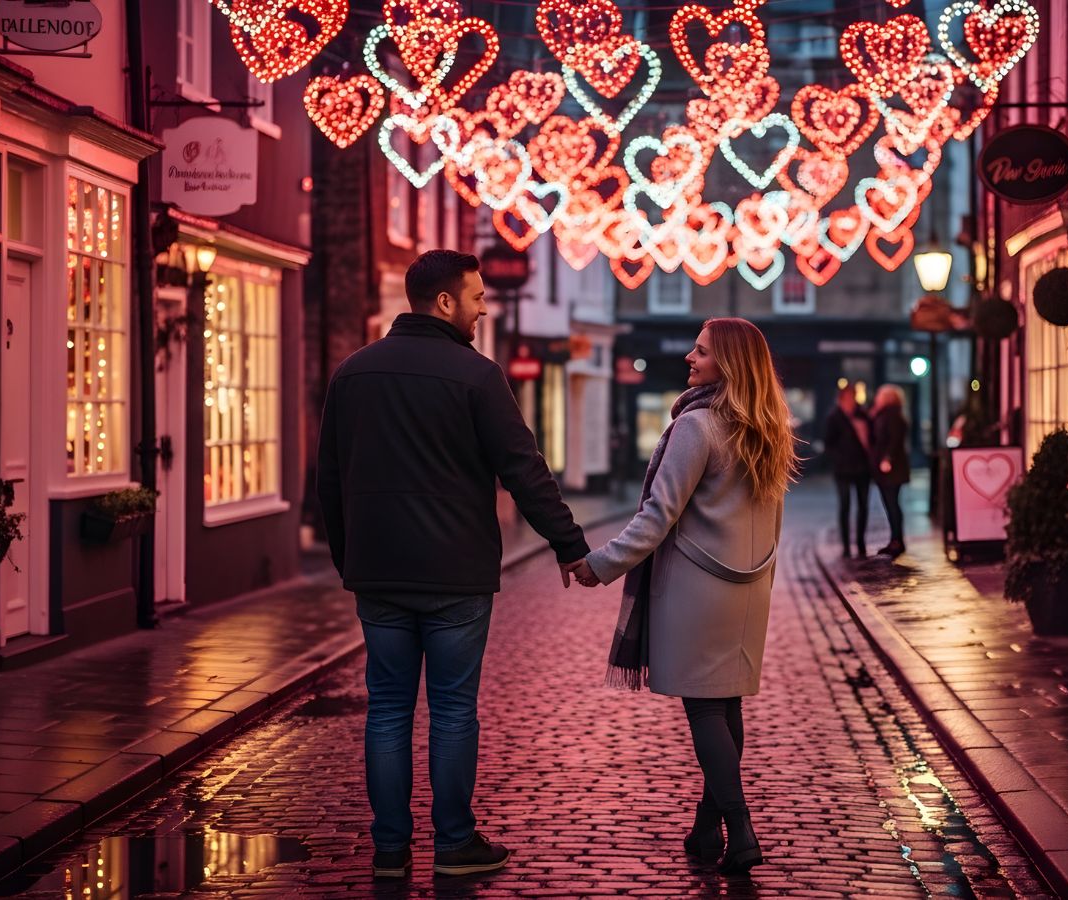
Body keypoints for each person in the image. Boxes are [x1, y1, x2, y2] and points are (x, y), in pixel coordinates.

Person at [316, 250, 589, 880]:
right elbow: (524, 469)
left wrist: (348, 556)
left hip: (379, 572)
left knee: (386, 709)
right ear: (444, 302)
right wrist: (570, 545)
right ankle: (454, 842)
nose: (481, 309)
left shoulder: (353, 374)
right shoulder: (477, 376)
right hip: (455, 576)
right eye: (475, 298)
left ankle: (389, 852)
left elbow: (328, 479)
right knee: (452, 709)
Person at [567, 318, 799, 876]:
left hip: (698, 589)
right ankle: (706, 826)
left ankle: (740, 830)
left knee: (703, 707)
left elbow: (657, 516)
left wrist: (600, 565)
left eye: (701, 352)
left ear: (729, 365)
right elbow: (774, 519)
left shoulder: (697, 426)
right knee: (726, 705)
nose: (689, 359)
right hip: (749, 589)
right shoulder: (767, 427)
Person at [822, 385, 872, 559]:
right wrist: (839, 458)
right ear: (842, 398)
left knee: (863, 506)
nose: (852, 401)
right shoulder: (834, 417)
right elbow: (828, 444)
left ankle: (860, 542)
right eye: (849, 397)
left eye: (854, 397)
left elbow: (871, 439)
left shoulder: (863, 414)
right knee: (845, 506)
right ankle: (846, 546)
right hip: (843, 469)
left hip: (863, 468)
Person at [870, 384, 911, 556]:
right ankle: (895, 539)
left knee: (892, 504)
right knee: (891, 504)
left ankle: (897, 541)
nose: (876, 398)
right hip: (888, 467)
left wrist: (887, 458)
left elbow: (894, 440)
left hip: (891, 468)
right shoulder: (886, 414)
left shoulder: (892, 416)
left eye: (880, 395)